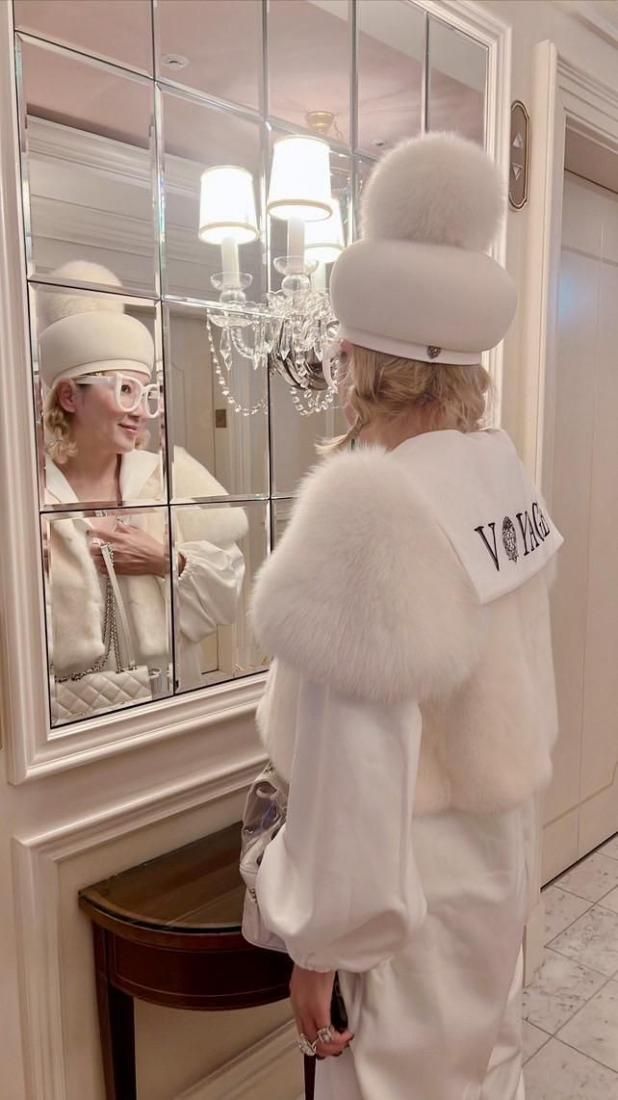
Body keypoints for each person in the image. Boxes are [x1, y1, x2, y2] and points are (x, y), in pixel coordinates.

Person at [249, 134, 562, 1100]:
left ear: (356, 357)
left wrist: (319, 948)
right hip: (494, 870)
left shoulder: (370, 513)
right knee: (487, 1072)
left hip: (404, 907)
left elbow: (356, 782)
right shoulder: (497, 472)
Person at [39, 261, 247, 699]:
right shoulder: (29, 495)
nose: (141, 412)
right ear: (69, 396)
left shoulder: (168, 479)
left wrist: (167, 560)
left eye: (147, 394)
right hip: (63, 718)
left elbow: (228, 586)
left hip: (164, 704)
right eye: (125, 391)